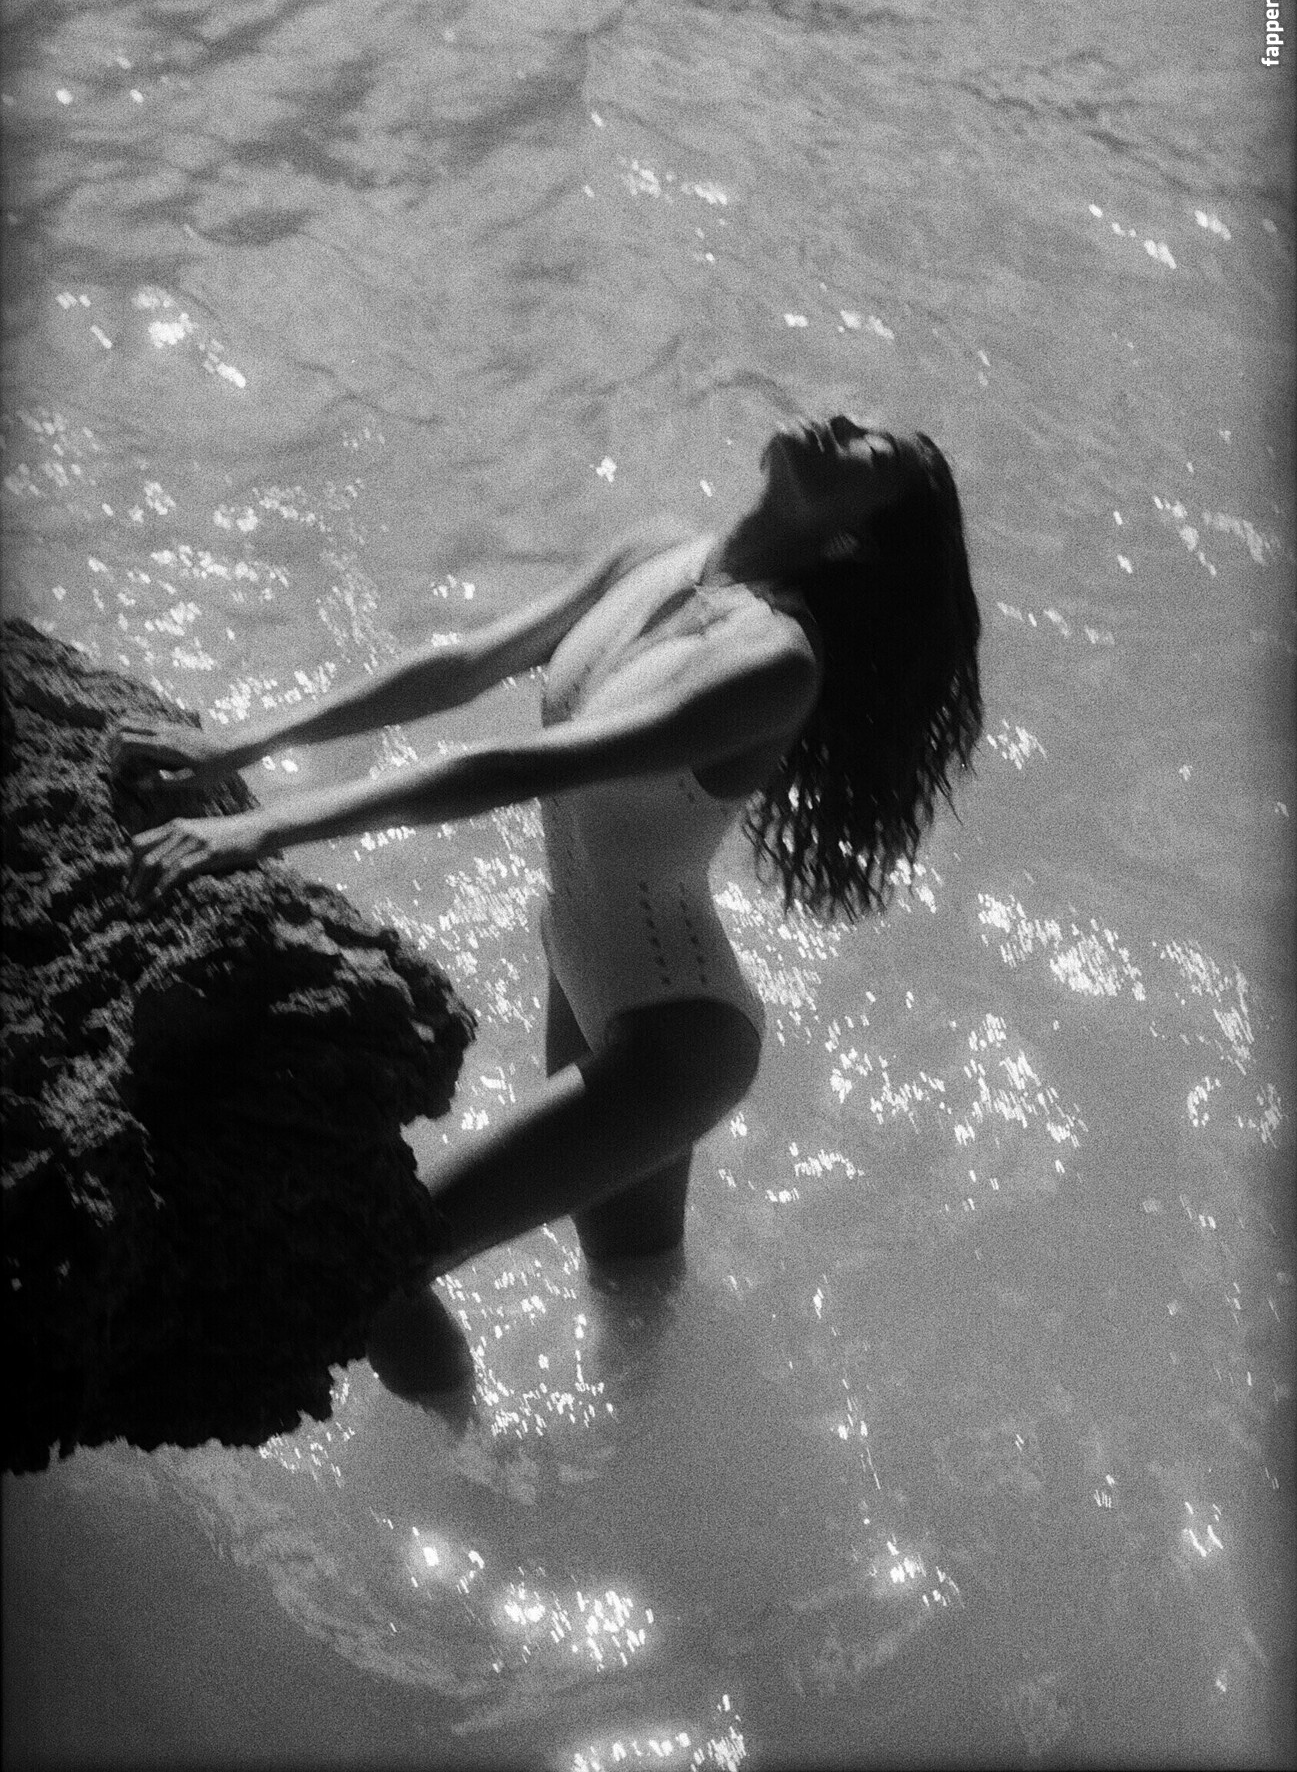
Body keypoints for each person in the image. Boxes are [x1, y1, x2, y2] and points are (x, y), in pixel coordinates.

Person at [115, 417, 983, 1395]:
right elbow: (462, 664)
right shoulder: (656, 553)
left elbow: (508, 769)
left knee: (375, 1266)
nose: (846, 425)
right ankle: (664, 1452)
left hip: (675, 1042)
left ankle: (471, 1463)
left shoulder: (773, 664)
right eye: (861, 417)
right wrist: (240, 744)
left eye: (876, 455)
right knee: (633, 1281)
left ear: (855, 538)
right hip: (584, 967)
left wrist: (263, 829)